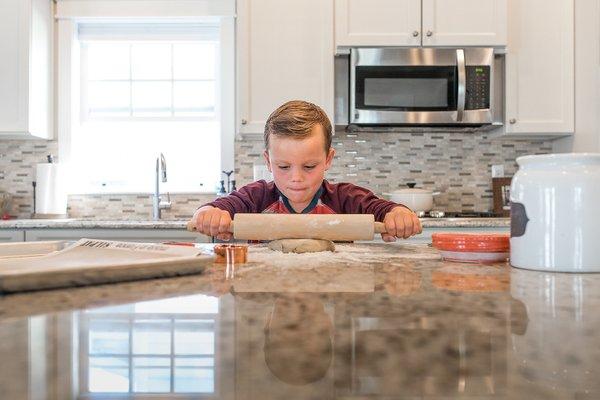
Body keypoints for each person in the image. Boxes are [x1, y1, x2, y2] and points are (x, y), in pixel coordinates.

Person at [190, 100, 422, 241]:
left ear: (328, 159)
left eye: (309, 166)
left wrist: (398, 214)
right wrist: (209, 213)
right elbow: (217, 209)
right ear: (268, 162)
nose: (296, 178)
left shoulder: (345, 199)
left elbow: (382, 209)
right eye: (283, 166)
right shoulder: (256, 197)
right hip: (269, 298)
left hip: (332, 296)